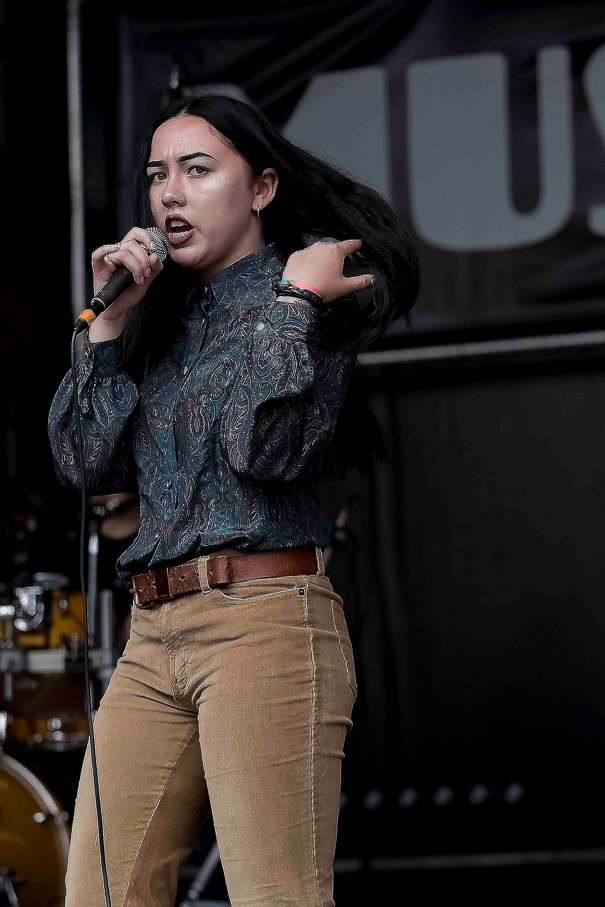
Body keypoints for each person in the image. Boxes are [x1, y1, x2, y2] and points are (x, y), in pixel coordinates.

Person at [48, 93, 420, 907]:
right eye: (156, 175)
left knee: (273, 895)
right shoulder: (159, 318)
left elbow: (264, 451)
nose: (169, 194)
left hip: (262, 621)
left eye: (196, 170)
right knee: (101, 893)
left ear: (261, 188)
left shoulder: (305, 292)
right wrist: (107, 329)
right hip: (153, 635)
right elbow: (83, 464)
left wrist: (295, 305)